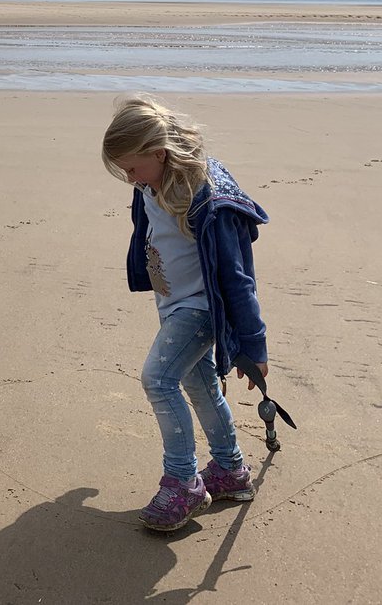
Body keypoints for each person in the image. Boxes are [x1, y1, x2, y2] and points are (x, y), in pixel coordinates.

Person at [101, 94, 269, 532]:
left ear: (159, 153)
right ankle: (230, 469)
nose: (129, 178)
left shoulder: (206, 198)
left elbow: (238, 277)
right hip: (172, 303)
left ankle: (182, 482)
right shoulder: (149, 186)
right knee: (199, 384)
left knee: (158, 379)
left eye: (132, 168)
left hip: (200, 309)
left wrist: (253, 344)